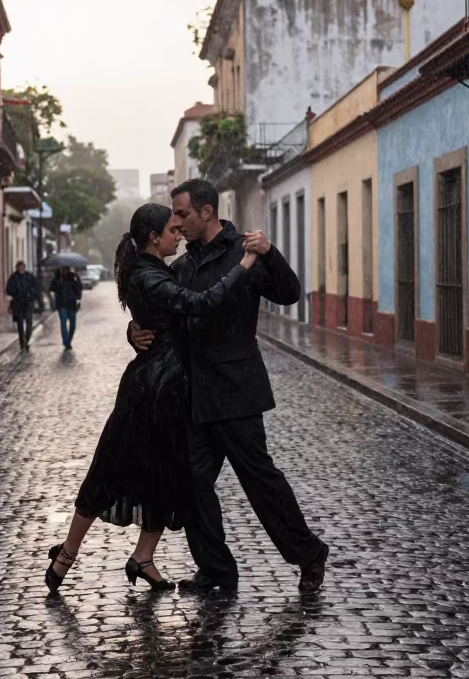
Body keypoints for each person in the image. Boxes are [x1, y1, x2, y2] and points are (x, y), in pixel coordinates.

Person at [44, 203, 259, 593]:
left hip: (169, 386)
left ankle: (143, 557)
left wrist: (134, 328)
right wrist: (243, 264)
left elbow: (158, 316)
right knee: (111, 466)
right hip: (151, 389)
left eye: (180, 229)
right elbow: (198, 304)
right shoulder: (149, 275)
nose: (179, 235)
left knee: (166, 473)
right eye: (172, 230)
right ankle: (66, 555)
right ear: (153, 237)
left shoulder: (157, 270)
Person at [128, 178, 329, 593]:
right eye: (173, 216)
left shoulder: (246, 251)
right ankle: (217, 570)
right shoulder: (181, 267)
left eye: (182, 213)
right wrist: (134, 330)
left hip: (237, 390)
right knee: (193, 483)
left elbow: (290, 294)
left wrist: (270, 253)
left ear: (206, 212)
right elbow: (162, 311)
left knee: (260, 481)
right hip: (195, 394)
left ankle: (309, 553)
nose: (176, 223)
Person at [5, 261, 39, 352]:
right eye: (19, 267)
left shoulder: (29, 277)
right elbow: (8, 290)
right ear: (17, 268)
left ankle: (27, 339)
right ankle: (21, 341)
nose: (21, 269)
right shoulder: (13, 277)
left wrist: (31, 296)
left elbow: (36, 288)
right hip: (18, 303)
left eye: (23, 267)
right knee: (20, 322)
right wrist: (16, 293)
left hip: (28, 303)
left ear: (24, 267)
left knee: (29, 321)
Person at [50, 266, 83, 350]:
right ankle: (66, 342)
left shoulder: (73, 277)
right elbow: (52, 288)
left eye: (65, 269)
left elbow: (79, 288)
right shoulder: (57, 278)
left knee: (73, 325)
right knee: (63, 322)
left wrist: (78, 299)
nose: (64, 271)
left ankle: (68, 340)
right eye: (62, 269)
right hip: (62, 304)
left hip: (72, 303)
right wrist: (58, 281)